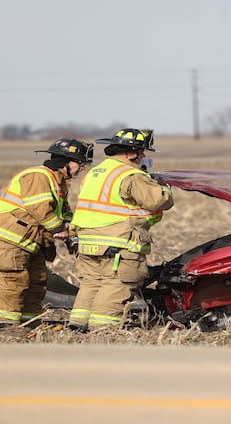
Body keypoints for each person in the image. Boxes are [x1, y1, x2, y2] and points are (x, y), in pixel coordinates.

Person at [67, 128, 173, 330]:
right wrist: (164, 187)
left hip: (88, 241)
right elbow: (157, 200)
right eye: (142, 152)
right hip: (116, 242)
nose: (143, 156)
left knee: (91, 285)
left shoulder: (96, 172)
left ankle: (77, 326)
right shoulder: (130, 174)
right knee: (115, 286)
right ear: (131, 152)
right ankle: (101, 331)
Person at [0, 139, 93, 327]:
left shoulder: (58, 182)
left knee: (36, 284)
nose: (82, 167)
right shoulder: (38, 176)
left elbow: (63, 211)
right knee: (13, 282)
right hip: (11, 243)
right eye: (79, 162)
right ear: (64, 161)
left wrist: (70, 232)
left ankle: (29, 324)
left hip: (31, 243)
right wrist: (58, 229)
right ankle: (6, 327)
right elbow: (39, 208)